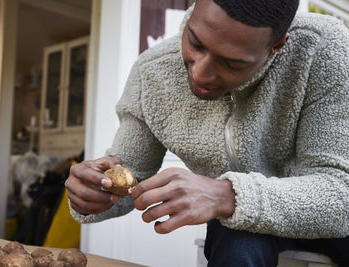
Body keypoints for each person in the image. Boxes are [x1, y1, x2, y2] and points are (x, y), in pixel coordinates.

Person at [65, 0, 349, 266]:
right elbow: (128, 174)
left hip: (331, 218)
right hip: (240, 221)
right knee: (236, 237)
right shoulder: (152, 74)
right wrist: (92, 194)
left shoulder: (323, 49)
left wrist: (227, 195)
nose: (201, 74)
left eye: (232, 63)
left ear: (275, 48)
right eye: (195, 43)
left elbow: (340, 197)